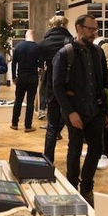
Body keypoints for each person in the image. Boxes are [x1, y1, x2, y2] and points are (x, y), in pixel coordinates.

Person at [51, 14, 108, 206]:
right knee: (75, 149)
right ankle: (71, 187)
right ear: (78, 28)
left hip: (96, 111)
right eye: (90, 29)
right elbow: (57, 87)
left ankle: (86, 187)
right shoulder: (64, 54)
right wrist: (70, 112)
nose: (94, 33)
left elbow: (105, 82)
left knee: (96, 149)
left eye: (95, 29)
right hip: (75, 111)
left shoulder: (98, 52)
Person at [38, 15, 74, 162]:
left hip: (52, 87)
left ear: (51, 26)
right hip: (69, 88)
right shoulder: (71, 42)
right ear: (64, 25)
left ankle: (48, 160)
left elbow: (40, 65)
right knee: (72, 127)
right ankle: (72, 162)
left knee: (51, 127)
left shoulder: (43, 43)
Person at [10, 29, 41, 132]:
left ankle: (14, 123)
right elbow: (41, 63)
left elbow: (14, 63)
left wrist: (14, 76)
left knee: (18, 100)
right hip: (33, 77)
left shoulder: (19, 46)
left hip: (21, 77)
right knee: (30, 102)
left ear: (25, 36)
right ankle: (28, 126)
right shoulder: (37, 47)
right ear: (33, 36)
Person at [94, 36, 108, 170]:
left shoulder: (105, 47)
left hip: (103, 92)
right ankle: (97, 151)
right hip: (93, 92)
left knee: (104, 124)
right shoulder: (88, 48)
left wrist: (94, 78)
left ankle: (105, 154)